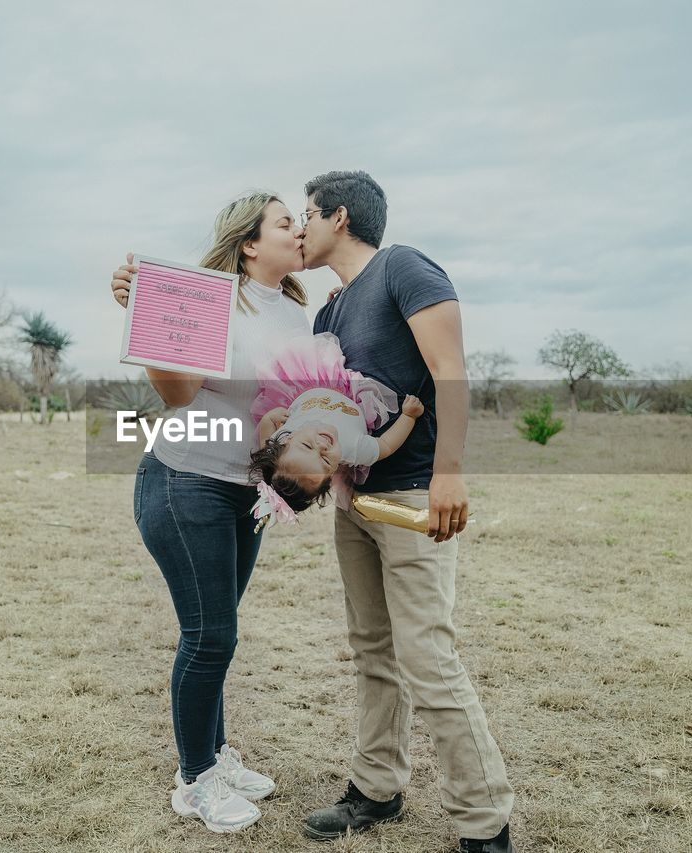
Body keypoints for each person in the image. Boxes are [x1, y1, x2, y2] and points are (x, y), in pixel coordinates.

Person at [296, 171, 516, 853]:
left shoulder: (405, 267)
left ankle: (485, 825)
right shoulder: (328, 312)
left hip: (416, 494)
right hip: (355, 504)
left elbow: (449, 367)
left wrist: (449, 469)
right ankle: (376, 788)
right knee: (372, 648)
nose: (299, 228)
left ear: (339, 216)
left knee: (427, 653)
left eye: (306, 213)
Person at [109, 193, 311, 833]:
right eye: (285, 223)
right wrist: (151, 312)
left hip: (247, 489)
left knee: (218, 631)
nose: (299, 230)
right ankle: (195, 779)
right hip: (185, 479)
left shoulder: (301, 311)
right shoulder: (209, 297)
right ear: (249, 243)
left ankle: (217, 757)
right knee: (211, 634)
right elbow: (173, 393)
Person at [246, 331, 424, 525]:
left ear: (289, 439)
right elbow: (386, 446)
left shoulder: (283, 435)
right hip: (352, 394)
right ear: (331, 474)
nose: (322, 446)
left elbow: (267, 444)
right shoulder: (353, 448)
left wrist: (269, 418)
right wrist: (409, 416)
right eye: (325, 460)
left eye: (307, 446)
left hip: (312, 381)